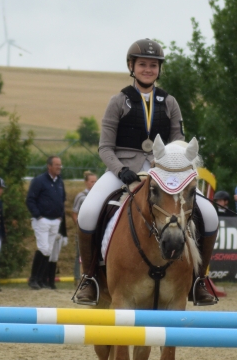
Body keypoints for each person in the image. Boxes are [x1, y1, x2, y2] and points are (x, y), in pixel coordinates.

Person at [75, 38, 219, 306]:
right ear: (132, 66)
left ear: (159, 69)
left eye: (153, 65)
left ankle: (200, 279)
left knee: (209, 215)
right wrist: (121, 171)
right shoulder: (118, 101)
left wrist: (171, 169)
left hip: (165, 173)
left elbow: (180, 144)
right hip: (124, 170)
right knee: (88, 212)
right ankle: (90, 277)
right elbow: (105, 147)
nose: (148, 70)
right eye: (143, 64)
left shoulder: (170, 103)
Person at [26, 156, 66, 289]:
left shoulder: (60, 182)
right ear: (49, 166)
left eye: (60, 165)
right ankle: (34, 279)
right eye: (56, 165)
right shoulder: (39, 181)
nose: (59, 167)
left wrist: (60, 216)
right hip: (42, 220)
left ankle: (41, 279)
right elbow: (30, 199)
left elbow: (62, 199)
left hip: (55, 220)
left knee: (48, 251)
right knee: (43, 248)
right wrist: (38, 216)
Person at [71, 171, 98, 279]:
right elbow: (74, 213)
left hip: (96, 230)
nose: (94, 184)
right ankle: (77, 277)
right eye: (92, 181)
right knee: (81, 254)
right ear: (86, 183)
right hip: (84, 230)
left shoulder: (98, 195)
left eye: (96, 181)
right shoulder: (81, 196)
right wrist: (80, 226)